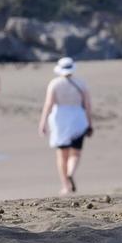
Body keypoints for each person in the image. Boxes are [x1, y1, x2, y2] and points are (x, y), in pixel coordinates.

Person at [38, 57, 92, 195]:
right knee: (76, 153)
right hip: (78, 119)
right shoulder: (81, 83)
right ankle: (71, 172)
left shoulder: (55, 84)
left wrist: (42, 122)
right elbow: (87, 105)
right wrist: (89, 123)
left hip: (60, 120)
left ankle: (65, 186)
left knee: (62, 155)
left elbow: (48, 104)